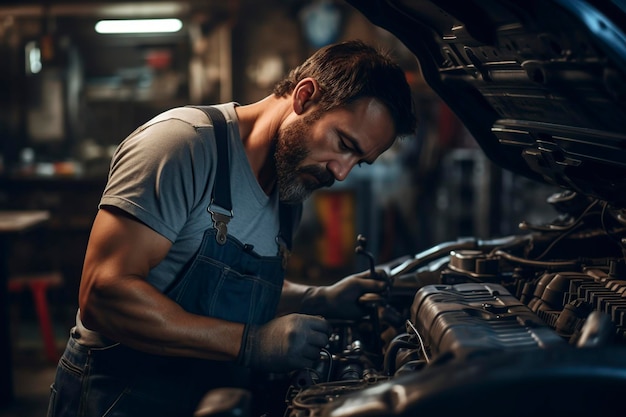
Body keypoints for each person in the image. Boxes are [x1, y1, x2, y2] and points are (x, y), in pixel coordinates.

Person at [48, 39, 416, 417]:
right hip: (120, 398)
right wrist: (251, 343)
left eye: (359, 161)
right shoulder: (182, 146)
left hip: (209, 400)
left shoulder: (290, 192)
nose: (341, 171)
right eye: (343, 143)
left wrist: (314, 299)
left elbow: (230, 287)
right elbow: (104, 295)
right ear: (305, 96)